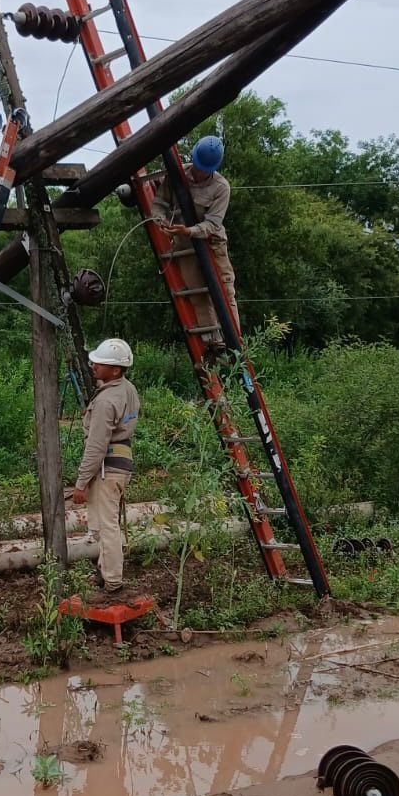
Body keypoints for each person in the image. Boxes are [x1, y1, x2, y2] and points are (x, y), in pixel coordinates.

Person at [150, 134, 240, 354]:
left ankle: (235, 346)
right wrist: (161, 221)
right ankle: (213, 344)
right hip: (185, 246)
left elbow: (213, 224)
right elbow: (159, 203)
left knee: (225, 292)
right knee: (196, 292)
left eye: (204, 169)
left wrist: (189, 230)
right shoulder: (176, 175)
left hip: (213, 244)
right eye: (198, 167)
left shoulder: (221, 187)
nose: (199, 172)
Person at [71, 338, 140, 594]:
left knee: (106, 525)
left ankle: (113, 582)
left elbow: (96, 446)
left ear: (116, 370)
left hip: (107, 469)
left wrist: (81, 483)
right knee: (106, 523)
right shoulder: (128, 389)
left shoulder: (105, 401)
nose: (94, 366)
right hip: (122, 464)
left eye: (100, 363)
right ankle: (104, 571)